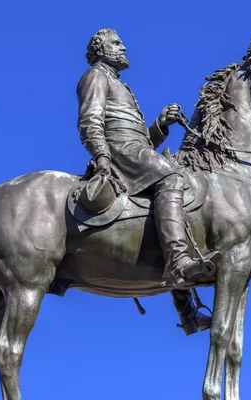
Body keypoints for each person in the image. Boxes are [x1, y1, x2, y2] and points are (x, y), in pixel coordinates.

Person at [76, 28, 212, 334]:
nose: (123, 47)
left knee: (173, 204)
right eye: (116, 43)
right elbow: (90, 122)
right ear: (100, 50)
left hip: (133, 149)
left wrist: (160, 124)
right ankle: (179, 263)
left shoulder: (116, 81)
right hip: (119, 151)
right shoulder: (95, 76)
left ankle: (188, 313)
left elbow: (140, 139)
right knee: (172, 179)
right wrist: (103, 158)